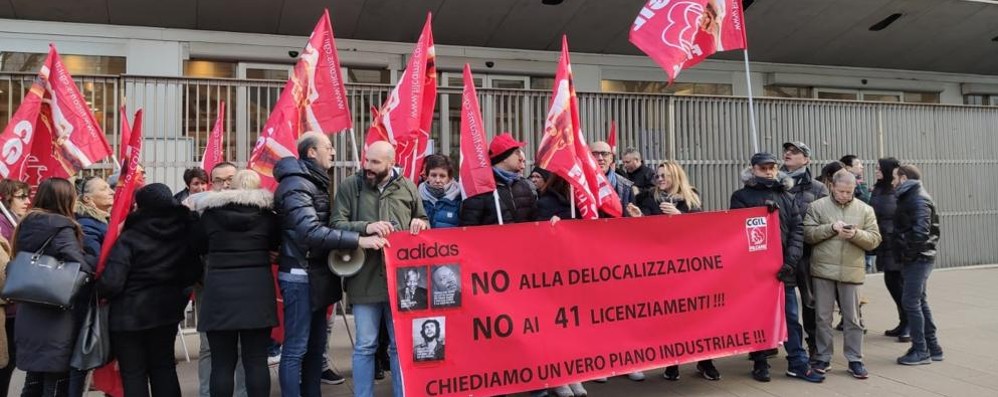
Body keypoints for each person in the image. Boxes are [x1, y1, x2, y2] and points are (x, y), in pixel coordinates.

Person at [275, 132, 384, 397]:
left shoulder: (313, 181)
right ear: (311, 152)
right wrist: (358, 240)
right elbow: (310, 231)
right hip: (301, 276)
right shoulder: (296, 185)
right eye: (328, 147)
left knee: (315, 348)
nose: (333, 152)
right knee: (296, 349)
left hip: (317, 274)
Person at [331, 140, 428, 397]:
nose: (368, 166)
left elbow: (423, 218)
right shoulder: (351, 185)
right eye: (366, 160)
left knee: (399, 347)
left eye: (375, 162)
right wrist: (366, 227)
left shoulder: (408, 187)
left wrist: (420, 222)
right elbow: (336, 223)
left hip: (403, 282)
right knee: (365, 345)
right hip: (365, 279)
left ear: (391, 163)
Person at [98, 183, 201, 397]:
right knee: (164, 367)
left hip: (128, 317)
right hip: (166, 312)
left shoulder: (130, 236)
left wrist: (97, 291)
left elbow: (112, 282)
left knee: (133, 372)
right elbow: (193, 272)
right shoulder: (184, 233)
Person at [731, 153, 823, 384]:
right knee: (759, 317)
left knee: (791, 317)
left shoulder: (787, 196)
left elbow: (797, 230)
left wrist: (790, 261)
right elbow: (737, 232)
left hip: (784, 269)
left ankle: (798, 362)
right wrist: (762, 213)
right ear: (753, 169)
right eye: (764, 168)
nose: (770, 171)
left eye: (772, 167)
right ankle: (761, 362)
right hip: (756, 272)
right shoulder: (741, 197)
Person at [626, 162, 720, 381]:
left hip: (690, 269)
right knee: (671, 319)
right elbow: (646, 233)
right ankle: (672, 364)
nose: (659, 179)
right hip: (663, 270)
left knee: (698, 318)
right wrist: (640, 217)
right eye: (657, 176)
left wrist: (680, 217)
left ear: (676, 176)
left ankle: (705, 362)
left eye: (664, 176)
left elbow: (702, 231)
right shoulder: (649, 198)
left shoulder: (691, 199)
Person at [192, 170, 279, 397]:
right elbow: (276, 244)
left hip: (219, 291)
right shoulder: (268, 217)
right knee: (257, 361)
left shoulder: (209, 215)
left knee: (221, 363)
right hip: (257, 291)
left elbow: (199, 246)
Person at [12, 178, 90, 397]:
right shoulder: (61, 226)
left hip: (29, 308)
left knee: (34, 377)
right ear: (65, 198)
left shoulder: (26, 222)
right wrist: (93, 261)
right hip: (56, 312)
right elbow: (78, 263)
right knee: (56, 379)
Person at [804, 170, 881, 379]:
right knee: (822, 317)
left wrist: (856, 234)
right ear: (831, 187)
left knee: (853, 318)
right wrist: (830, 228)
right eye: (841, 191)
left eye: (849, 191)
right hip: (822, 270)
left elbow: (875, 239)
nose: (845, 195)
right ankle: (822, 356)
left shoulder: (865, 209)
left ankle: (855, 359)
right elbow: (807, 234)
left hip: (852, 271)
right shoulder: (817, 207)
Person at [191, 161, 248, 397]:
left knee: (244, 347)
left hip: (246, 288)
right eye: (218, 180)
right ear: (210, 184)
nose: (225, 185)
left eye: (230, 179)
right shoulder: (199, 212)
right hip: (210, 286)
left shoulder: (254, 210)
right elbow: (191, 248)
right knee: (208, 347)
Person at [533, 172, 586, 397]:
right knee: (555, 327)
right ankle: (557, 378)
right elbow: (537, 237)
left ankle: (574, 374)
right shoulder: (545, 202)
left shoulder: (582, 202)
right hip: (552, 274)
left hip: (576, 271)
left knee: (574, 328)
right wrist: (552, 228)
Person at [891, 164, 943, 365]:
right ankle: (932, 347)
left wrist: (907, 254)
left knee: (911, 302)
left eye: (895, 178)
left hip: (918, 258)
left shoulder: (917, 198)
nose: (893, 182)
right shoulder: (912, 195)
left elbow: (920, 233)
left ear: (903, 178)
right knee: (919, 301)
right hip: (919, 257)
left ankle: (921, 350)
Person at [781, 141, 828, 356]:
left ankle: (815, 345)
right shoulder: (775, 183)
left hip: (808, 255)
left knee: (811, 302)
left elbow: (826, 220)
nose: (788, 154)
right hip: (782, 254)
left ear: (806, 159)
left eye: (795, 151)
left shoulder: (817, 188)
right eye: (786, 151)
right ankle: (786, 346)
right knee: (784, 305)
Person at [460, 133, 537, 226]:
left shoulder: (526, 185)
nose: (521, 156)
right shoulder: (481, 188)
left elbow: (536, 221)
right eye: (517, 152)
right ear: (504, 157)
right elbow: (469, 227)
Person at [871, 158, 908, 342]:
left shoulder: (897, 190)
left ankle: (908, 324)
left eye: (879, 168)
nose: (876, 171)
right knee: (891, 281)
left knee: (899, 284)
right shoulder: (878, 188)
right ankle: (903, 321)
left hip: (896, 244)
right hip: (883, 243)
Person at [0, 179, 29, 397]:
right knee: (4, 363)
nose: (27, 201)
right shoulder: (2, 223)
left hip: (14, 305)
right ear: (6, 198)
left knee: (9, 362)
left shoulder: (15, 220)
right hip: (7, 304)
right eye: (21, 197)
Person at [590, 141, 634, 217]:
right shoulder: (578, 183)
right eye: (595, 154)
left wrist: (639, 215)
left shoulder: (625, 186)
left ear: (611, 158)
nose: (600, 158)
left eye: (604, 154)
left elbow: (631, 218)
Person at [418, 154, 461, 229]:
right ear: (427, 176)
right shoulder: (417, 196)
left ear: (449, 178)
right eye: (433, 175)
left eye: (442, 176)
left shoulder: (460, 198)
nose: (437, 180)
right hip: (423, 241)